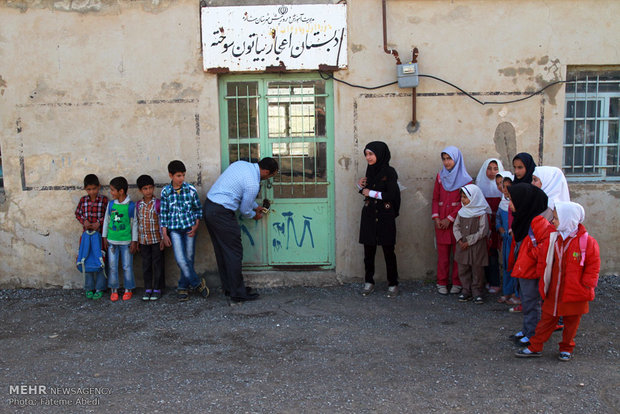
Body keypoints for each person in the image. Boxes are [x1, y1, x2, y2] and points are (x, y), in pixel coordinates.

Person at [516, 201, 600, 361]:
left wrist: (587, 284)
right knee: (546, 320)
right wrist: (542, 277)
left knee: (571, 323)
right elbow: (543, 260)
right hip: (554, 291)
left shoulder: (587, 242)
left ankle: (566, 348)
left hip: (576, 292)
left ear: (568, 219)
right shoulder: (553, 239)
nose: (552, 221)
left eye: (556, 218)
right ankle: (535, 346)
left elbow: (593, 265)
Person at [203, 157, 279, 303]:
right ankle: (238, 293)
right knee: (234, 252)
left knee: (222, 251)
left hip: (210, 207)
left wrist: (255, 205)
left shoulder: (241, 165)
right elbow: (244, 209)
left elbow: (239, 192)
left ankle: (230, 288)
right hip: (222, 213)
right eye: (270, 176)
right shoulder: (253, 183)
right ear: (266, 172)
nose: (268, 179)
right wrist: (254, 215)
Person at [507, 184, 555, 348]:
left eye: (513, 201)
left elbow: (543, 247)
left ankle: (532, 333)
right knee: (526, 300)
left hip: (531, 270)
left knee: (532, 301)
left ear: (524, 202)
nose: (510, 205)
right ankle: (527, 330)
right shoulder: (524, 219)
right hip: (524, 268)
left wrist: (530, 253)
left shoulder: (538, 224)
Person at [357, 141, 401, 298]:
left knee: (389, 251)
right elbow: (365, 192)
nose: (368, 157)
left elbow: (391, 195)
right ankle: (369, 282)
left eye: (371, 154)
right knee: (368, 252)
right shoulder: (370, 171)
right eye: (366, 154)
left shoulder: (389, 172)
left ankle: (393, 283)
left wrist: (371, 193)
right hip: (369, 215)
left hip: (384, 216)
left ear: (380, 154)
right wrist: (360, 186)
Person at [160, 160, 208, 302]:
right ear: (171, 175)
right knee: (181, 259)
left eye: (183, 175)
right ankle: (197, 284)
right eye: (178, 176)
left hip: (189, 228)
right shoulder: (166, 192)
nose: (181, 179)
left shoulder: (191, 189)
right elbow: (164, 213)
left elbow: (198, 208)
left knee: (189, 259)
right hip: (174, 230)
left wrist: (196, 225)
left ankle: (182, 287)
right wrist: (164, 233)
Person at [432, 146, 473, 295]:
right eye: (444, 159)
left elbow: (465, 202)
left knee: (458, 255)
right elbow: (435, 199)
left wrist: (450, 218)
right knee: (443, 255)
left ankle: (457, 282)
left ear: (456, 159)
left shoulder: (466, 180)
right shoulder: (440, 177)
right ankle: (441, 282)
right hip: (441, 222)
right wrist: (436, 217)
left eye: (449, 158)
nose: (446, 162)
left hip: (458, 220)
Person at [453, 184, 491, 304]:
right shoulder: (461, 212)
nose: (463, 200)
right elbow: (456, 227)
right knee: (463, 268)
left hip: (476, 246)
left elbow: (483, 230)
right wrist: (459, 240)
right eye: (462, 197)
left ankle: (477, 292)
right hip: (462, 245)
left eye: (465, 197)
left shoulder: (481, 213)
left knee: (477, 269)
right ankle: (466, 290)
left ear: (474, 197)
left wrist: (469, 241)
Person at [102, 176, 138, 301]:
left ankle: (128, 288)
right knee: (112, 266)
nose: (111, 193)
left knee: (127, 266)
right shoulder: (111, 205)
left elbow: (134, 224)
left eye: (112, 190)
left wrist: (134, 241)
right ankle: (114, 289)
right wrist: (104, 237)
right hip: (112, 242)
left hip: (126, 242)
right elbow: (107, 221)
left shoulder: (131, 206)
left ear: (121, 191)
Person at [75, 174, 108, 299]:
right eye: (89, 189)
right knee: (86, 259)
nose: (92, 191)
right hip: (86, 236)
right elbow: (77, 213)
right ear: (85, 189)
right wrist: (84, 221)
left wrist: (98, 223)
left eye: (94, 188)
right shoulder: (83, 200)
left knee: (100, 260)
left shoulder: (104, 200)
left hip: (99, 236)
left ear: (98, 187)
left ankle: (100, 287)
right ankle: (89, 287)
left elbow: (108, 214)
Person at [475, 158, 504, 294]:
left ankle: (495, 282)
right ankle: (487, 280)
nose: (492, 172)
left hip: (498, 224)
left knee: (494, 253)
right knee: (484, 252)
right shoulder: (479, 185)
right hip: (484, 222)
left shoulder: (502, 187)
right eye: (489, 168)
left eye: (495, 169)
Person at [136, 175, 165, 301]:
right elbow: (136, 223)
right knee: (146, 264)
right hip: (143, 241)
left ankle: (157, 288)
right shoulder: (138, 205)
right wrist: (136, 240)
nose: (148, 191)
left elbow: (162, 221)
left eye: (150, 188)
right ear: (140, 190)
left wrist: (164, 238)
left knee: (158, 264)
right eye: (145, 189)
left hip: (157, 240)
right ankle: (148, 288)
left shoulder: (158, 203)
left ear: (153, 188)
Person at [495, 171, 519, 305]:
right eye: (503, 186)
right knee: (506, 265)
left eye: (508, 186)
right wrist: (500, 228)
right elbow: (498, 218)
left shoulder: (516, 203)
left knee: (515, 265)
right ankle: (507, 291)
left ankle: (517, 293)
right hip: (506, 240)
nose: (505, 190)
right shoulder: (503, 203)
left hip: (514, 239)